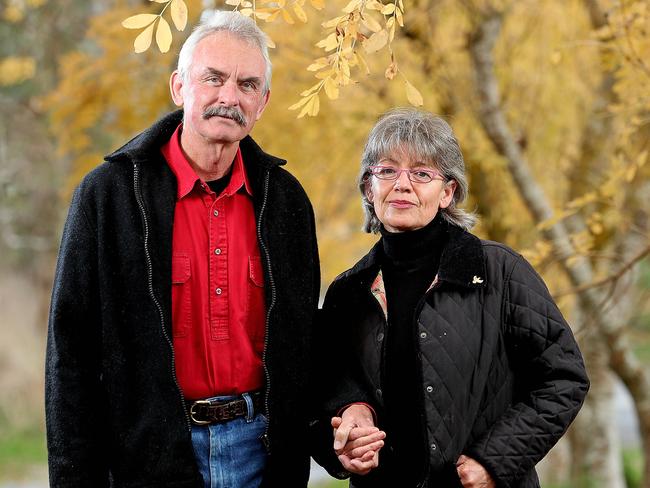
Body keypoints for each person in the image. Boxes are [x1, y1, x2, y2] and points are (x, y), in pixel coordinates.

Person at [45, 11, 320, 488]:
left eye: (247, 84)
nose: (229, 97)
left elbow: (305, 345)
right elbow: (70, 355)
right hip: (144, 457)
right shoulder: (109, 195)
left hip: (264, 456)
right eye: (213, 78)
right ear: (179, 86)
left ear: (264, 101)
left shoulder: (286, 201)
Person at [313, 108, 589, 487]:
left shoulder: (499, 272)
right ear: (368, 188)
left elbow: (564, 378)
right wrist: (343, 445)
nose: (402, 185)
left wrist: (495, 460)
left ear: (447, 192)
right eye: (387, 170)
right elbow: (323, 393)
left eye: (422, 173)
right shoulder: (348, 293)